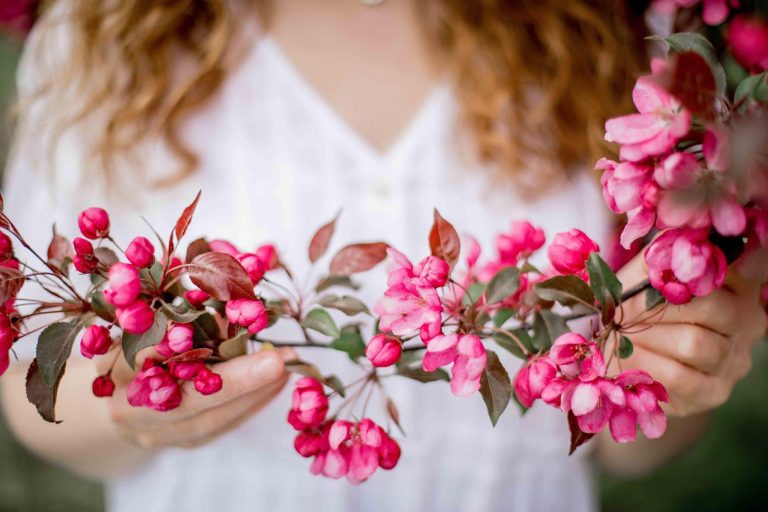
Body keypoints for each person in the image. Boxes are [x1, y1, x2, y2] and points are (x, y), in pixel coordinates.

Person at [0, 1, 765, 511]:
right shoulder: (99, 35)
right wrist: (131, 414)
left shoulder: (599, 32)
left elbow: (619, 446)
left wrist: (676, 378)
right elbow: (31, 404)